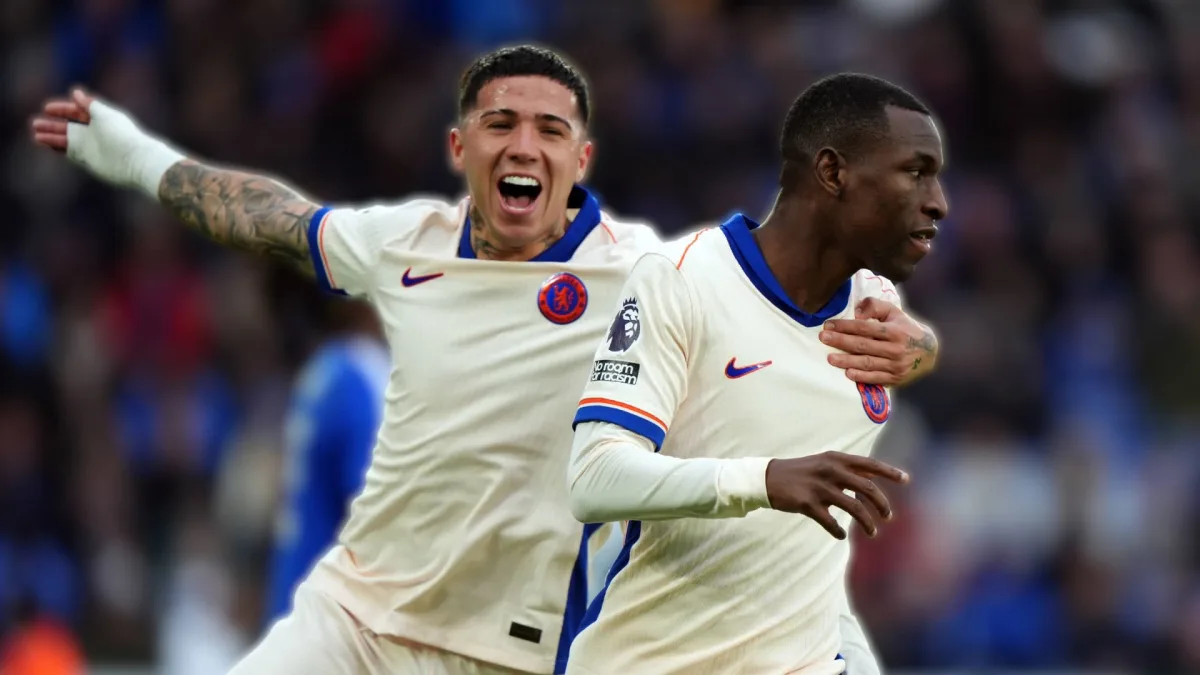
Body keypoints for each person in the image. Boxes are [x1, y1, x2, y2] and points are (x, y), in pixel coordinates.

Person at [31, 46, 937, 674]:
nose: (524, 144)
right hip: (358, 618)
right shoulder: (403, 243)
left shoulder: (639, 274)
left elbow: (778, 292)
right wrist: (130, 154)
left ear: (579, 159)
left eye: (550, 130)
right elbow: (268, 217)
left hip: (514, 648)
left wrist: (918, 344)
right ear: (462, 149)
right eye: (500, 122)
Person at [566, 73, 947, 675]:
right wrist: (763, 480)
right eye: (915, 171)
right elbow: (593, 478)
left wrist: (926, 348)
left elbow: (803, 553)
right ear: (832, 172)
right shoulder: (682, 280)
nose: (938, 202)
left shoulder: (874, 306)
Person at [264, 301, 389, 623]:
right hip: (328, 620)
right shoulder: (366, 375)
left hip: (293, 597)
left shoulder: (325, 367)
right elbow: (372, 506)